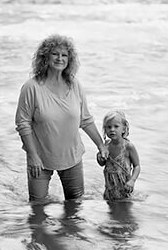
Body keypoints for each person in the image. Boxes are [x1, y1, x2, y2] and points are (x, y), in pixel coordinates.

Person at [15, 34, 109, 202]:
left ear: (69, 59)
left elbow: (85, 120)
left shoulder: (75, 85)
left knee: (75, 209)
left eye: (64, 55)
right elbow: (23, 124)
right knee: (37, 209)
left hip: (72, 157)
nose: (60, 58)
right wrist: (32, 155)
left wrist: (101, 144)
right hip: (40, 158)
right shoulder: (31, 88)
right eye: (55, 54)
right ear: (45, 57)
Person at [96, 110, 141, 201]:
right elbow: (102, 163)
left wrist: (132, 181)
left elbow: (137, 166)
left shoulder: (128, 147)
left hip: (125, 189)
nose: (112, 129)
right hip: (109, 190)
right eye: (109, 127)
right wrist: (100, 158)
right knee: (111, 211)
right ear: (105, 130)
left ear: (124, 129)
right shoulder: (106, 146)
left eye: (116, 126)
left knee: (125, 212)